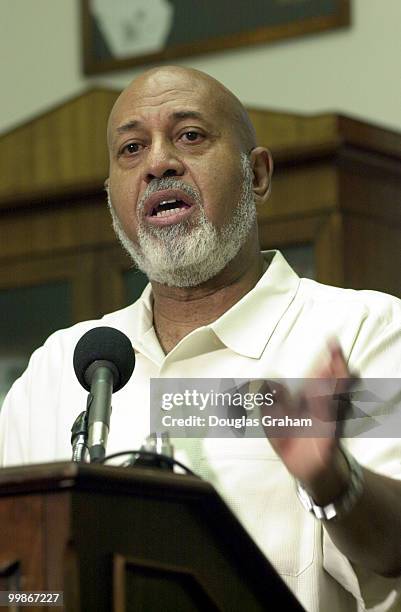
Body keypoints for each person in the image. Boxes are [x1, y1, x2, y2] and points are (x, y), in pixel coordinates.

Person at [0, 66, 400, 612]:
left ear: (256, 175)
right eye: (132, 148)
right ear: (111, 195)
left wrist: (334, 480)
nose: (158, 163)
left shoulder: (357, 332)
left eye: (190, 136)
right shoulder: (59, 367)